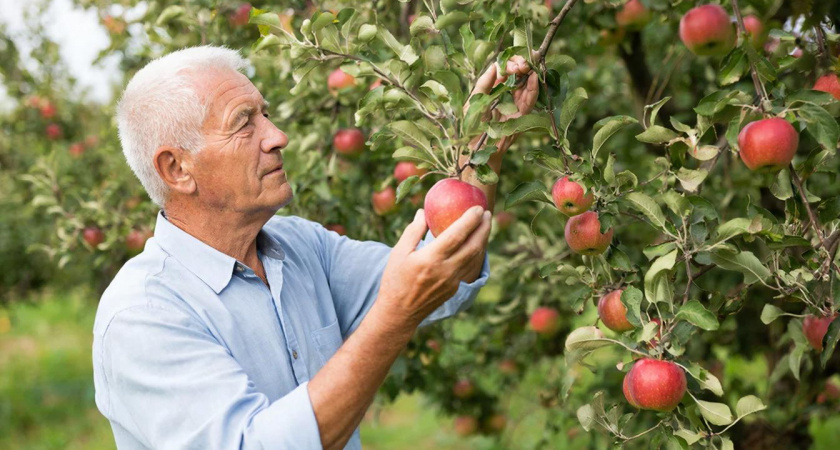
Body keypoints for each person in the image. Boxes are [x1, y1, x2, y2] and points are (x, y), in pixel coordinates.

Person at [92, 45, 538, 450]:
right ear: (177, 168)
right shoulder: (143, 316)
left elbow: (448, 275)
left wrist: (485, 146)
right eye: (244, 122)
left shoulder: (302, 247)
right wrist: (393, 317)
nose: (277, 135)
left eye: (264, 114)